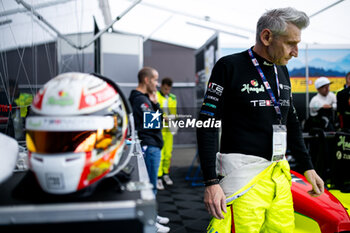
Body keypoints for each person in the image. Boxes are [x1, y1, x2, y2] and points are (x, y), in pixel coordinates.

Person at [196, 7, 324, 233]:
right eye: (290, 43)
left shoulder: (281, 71)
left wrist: (307, 167)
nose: (295, 52)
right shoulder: (229, 66)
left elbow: (290, 121)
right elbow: (206, 124)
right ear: (267, 37)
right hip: (242, 179)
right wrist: (210, 183)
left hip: (279, 175)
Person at [129, 67, 170, 233]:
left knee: (151, 186)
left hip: (152, 144)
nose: (157, 83)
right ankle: (151, 222)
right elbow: (155, 123)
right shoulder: (140, 100)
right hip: (149, 145)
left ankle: (153, 215)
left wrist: (156, 104)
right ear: (146, 80)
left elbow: (158, 119)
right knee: (150, 186)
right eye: (155, 80)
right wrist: (157, 111)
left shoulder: (146, 99)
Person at [156, 77, 177, 190]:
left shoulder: (173, 98)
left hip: (169, 129)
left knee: (168, 154)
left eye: (168, 89)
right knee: (160, 153)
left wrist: (172, 118)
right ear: (161, 86)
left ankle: (165, 174)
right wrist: (163, 117)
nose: (167, 91)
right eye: (165, 89)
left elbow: (175, 113)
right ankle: (158, 178)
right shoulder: (155, 96)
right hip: (159, 129)